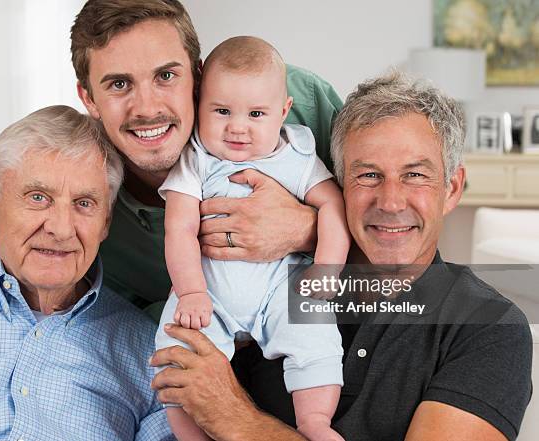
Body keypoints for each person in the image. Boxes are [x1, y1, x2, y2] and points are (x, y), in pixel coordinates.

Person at [150, 73, 533, 441]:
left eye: (415, 175)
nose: (391, 201)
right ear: (338, 185)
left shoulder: (489, 328)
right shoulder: (275, 288)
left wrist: (238, 419)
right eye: (368, 175)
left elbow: (224, 413)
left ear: (451, 189)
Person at [71, 0, 342, 322]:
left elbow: (403, 283)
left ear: (197, 76)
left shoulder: (287, 97)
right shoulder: (83, 206)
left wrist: (308, 231)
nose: (146, 108)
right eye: (119, 84)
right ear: (88, 98)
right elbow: (120, 333)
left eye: (166, 75)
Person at [0, 106, 173, 441]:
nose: (60, 229)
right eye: (38, 197)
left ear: (106, 223)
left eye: (84, 203)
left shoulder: (149, 352)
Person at [155, 36, 349, 441]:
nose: (238, 127)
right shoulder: (196, 159)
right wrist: (191, 291)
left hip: (279, 287)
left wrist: (326, 268)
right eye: (222, 111)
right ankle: (190, 434)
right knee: (177, 349)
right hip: (208, 291)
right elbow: (180, 227)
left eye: (256, 113)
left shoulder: (295, 155)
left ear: (283, 112)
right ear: (199, 104)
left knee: (314, 332)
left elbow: (332, 205)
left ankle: (314, 419)